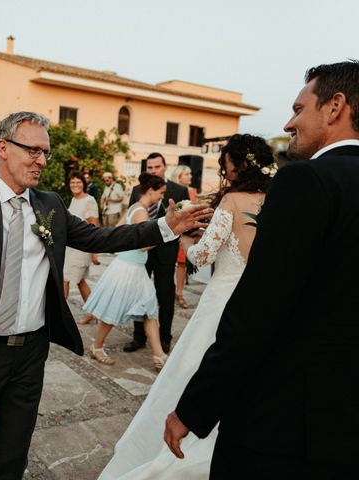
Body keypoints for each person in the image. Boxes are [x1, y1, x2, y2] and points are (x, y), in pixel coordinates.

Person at [0, 111, 211, 479]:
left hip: (30, 352)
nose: (41, 160)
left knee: (12, 456)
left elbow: (101, 237)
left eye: (46, 152)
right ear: (3, 148)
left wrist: (165, 226)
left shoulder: (49, 204)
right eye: (33, 150)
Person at [164, 61, 359, 478]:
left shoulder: (308, 180)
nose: (289, 123)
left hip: (290, 422)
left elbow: (258, 313)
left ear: (335, 107)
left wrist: (193, 408)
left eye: (298, 108)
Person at [100, 134, 273, 479]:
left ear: (234, 166)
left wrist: (189, 238)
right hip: (258, 303)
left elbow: (201, 257)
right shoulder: (275, 199)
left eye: (225, 167)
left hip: (221, 303)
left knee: (193, 371)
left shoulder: (233, 201)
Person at [84, 173, 168, 369]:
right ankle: (97, 346)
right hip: (130, 268)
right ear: (150, 191)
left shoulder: (133, 208)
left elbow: (119, 230)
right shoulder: (142, 212)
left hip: (130, 266)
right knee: (114, 309)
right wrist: (166, 236)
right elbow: (141, 245)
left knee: (149, 309)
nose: (162, 197)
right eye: (161, 193)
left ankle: (159, 355)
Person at [124, 153, 189, 354]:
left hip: (166, 252)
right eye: (150, 167)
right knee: (138, 294)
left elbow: (183, 220)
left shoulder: (179, 190)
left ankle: (164, 337)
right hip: (141, 254)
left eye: (156, 167)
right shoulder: (137, 190)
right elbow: (131, 218)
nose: (153, 171)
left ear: (165, 166)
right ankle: (138, 337)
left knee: (165, 294)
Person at [62, 170, 100, 304]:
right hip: (71, 248)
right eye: (72, 182)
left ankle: (58, 317)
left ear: (83, 184)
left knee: (65, 278)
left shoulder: (89, 200)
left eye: (78, 182)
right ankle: (92, 313)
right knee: (80, 281)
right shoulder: (74, 199)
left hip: (82, 248)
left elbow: (94, 227)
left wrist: (94, 252)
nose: (75, 185)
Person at [170, 165, 198, 309]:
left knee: (182, 263)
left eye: (190, 173)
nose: (190, 176)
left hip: (186, 233)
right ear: (179, 176)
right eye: (186, 174)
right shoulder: (172, 191)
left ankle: (179, 293)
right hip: (172, 231)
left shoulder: (193, 192)